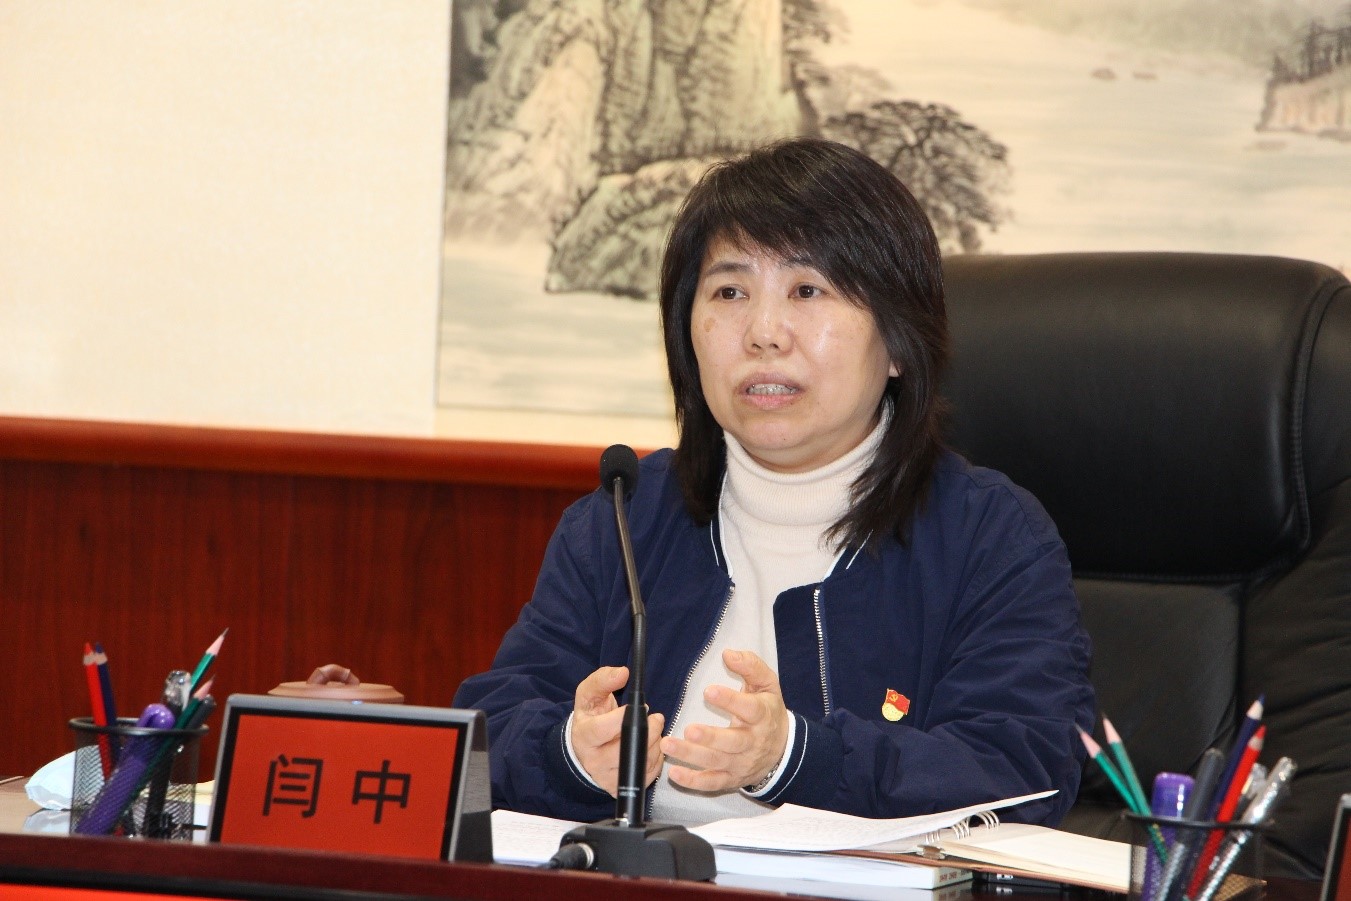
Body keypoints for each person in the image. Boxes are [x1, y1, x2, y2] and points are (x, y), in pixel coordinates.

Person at [451, 137, 1095, 827]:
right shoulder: (624, 515)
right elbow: (485, 737)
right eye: (729, 291)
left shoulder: (988, 536)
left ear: (899, 344)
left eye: (807, 290)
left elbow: (1022, 767)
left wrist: (795, 756)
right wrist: (570, 755)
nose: (763, 333)